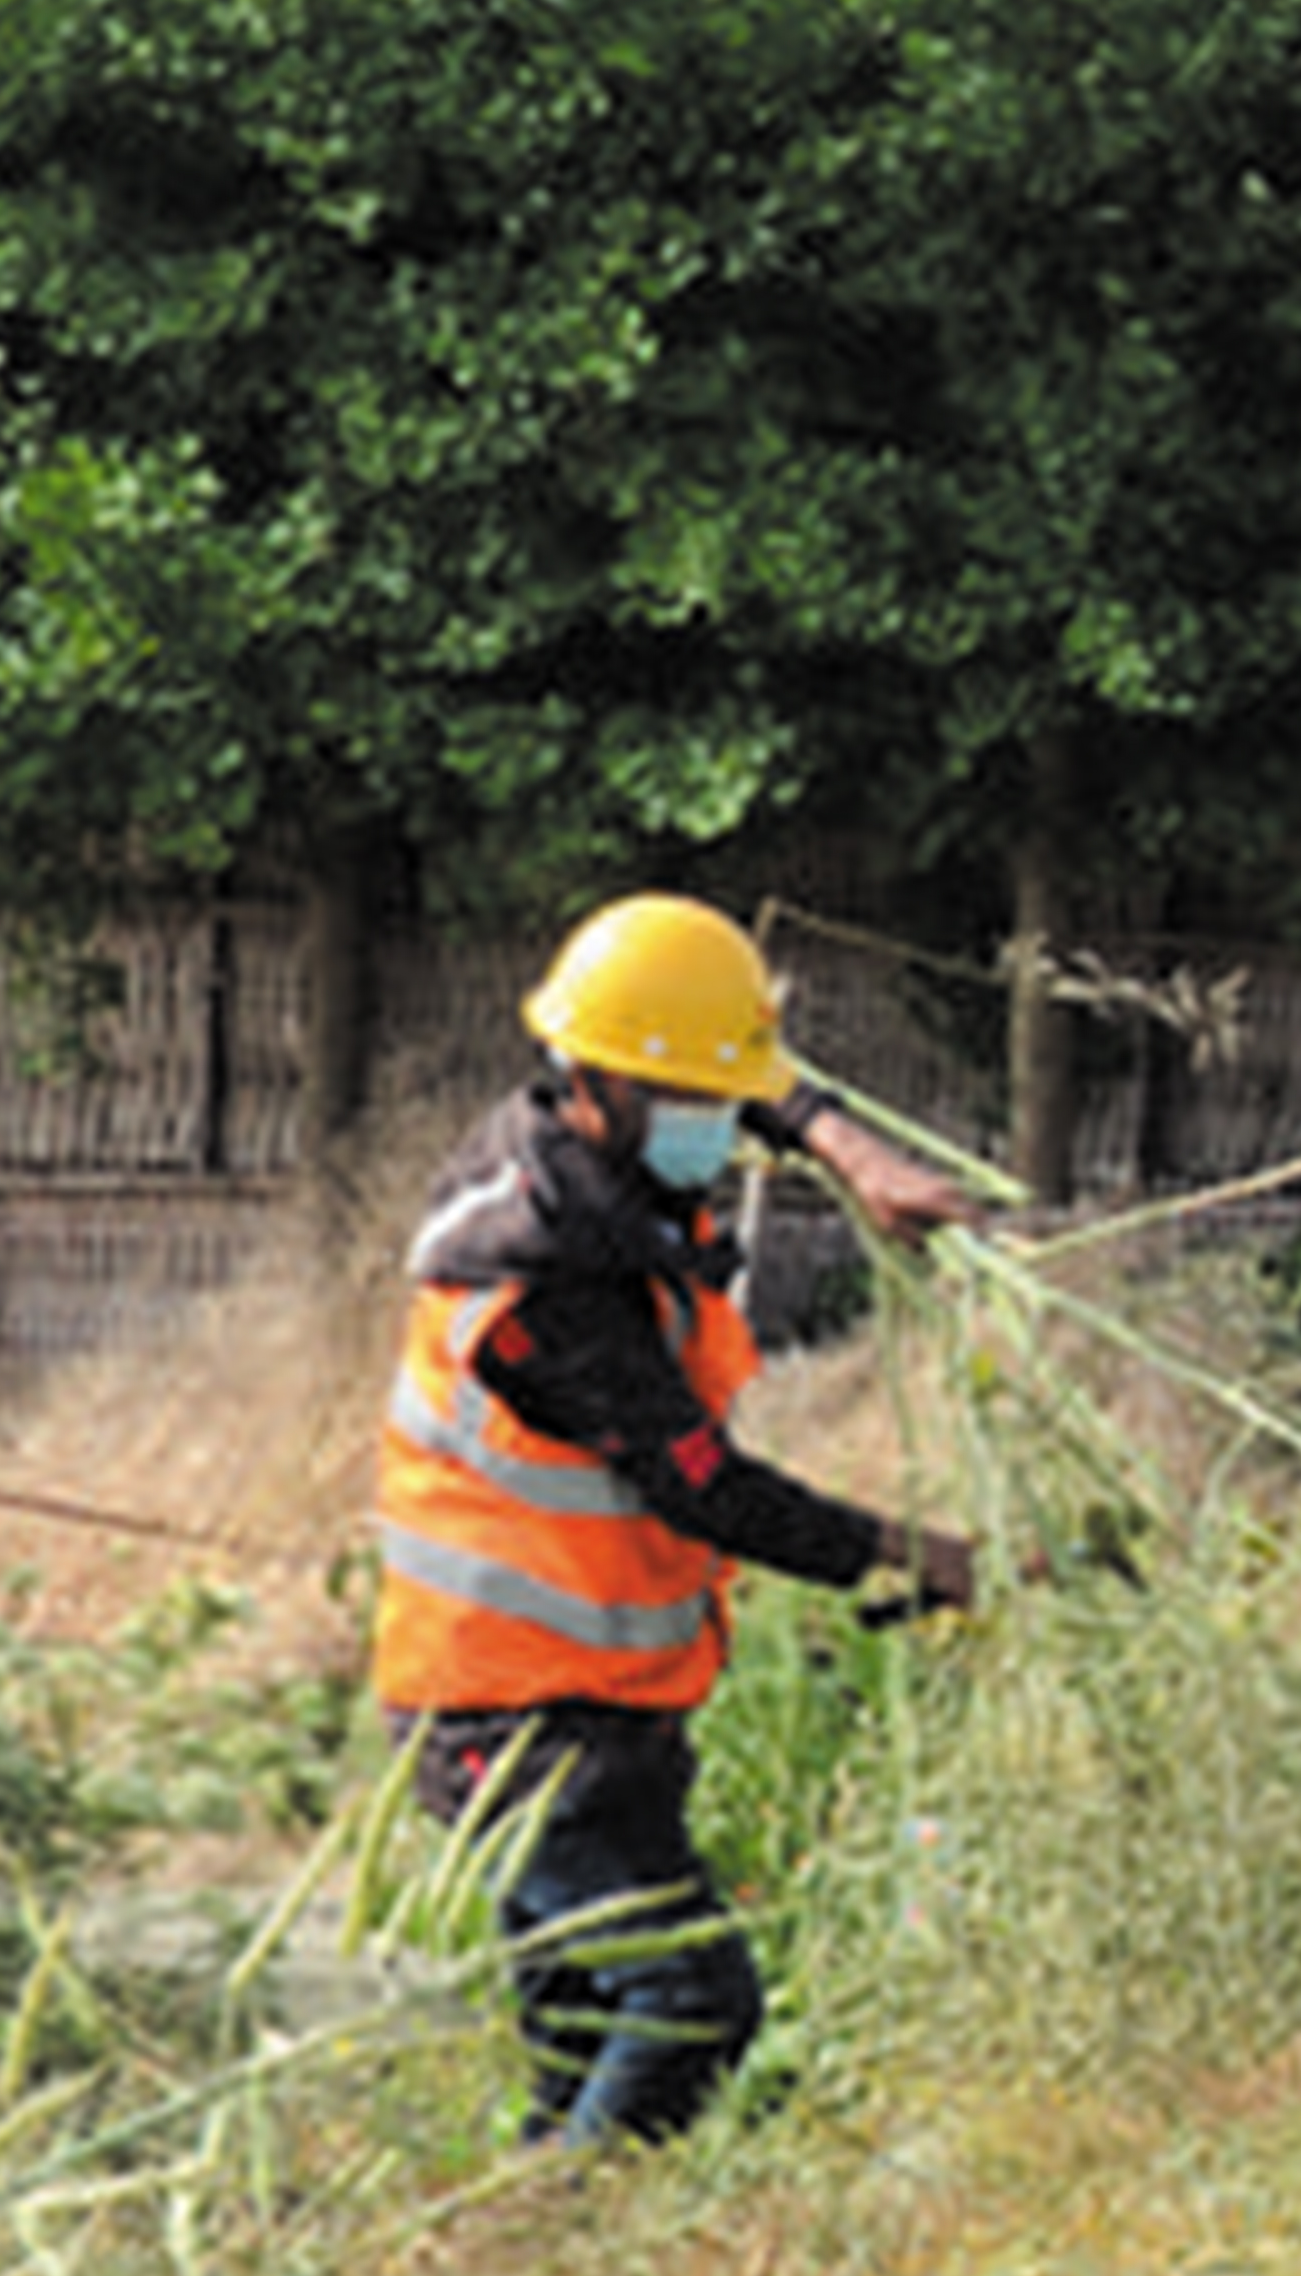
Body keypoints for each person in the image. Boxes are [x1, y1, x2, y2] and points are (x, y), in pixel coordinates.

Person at [366, 891, 991, 2150]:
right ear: (597, 1085)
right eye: (696, 1109)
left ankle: (541, 2264)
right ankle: (568, 2239)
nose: (721, 1128)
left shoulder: (598, 1127)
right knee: (691, 2001)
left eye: (723, 1101)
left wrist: (848, 1149)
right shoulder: (540, 1284)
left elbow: (730, 1075)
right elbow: (707, 1486)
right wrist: (921, 1554)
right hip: (512, 1714)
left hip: (594, 1696)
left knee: (588, 2037)